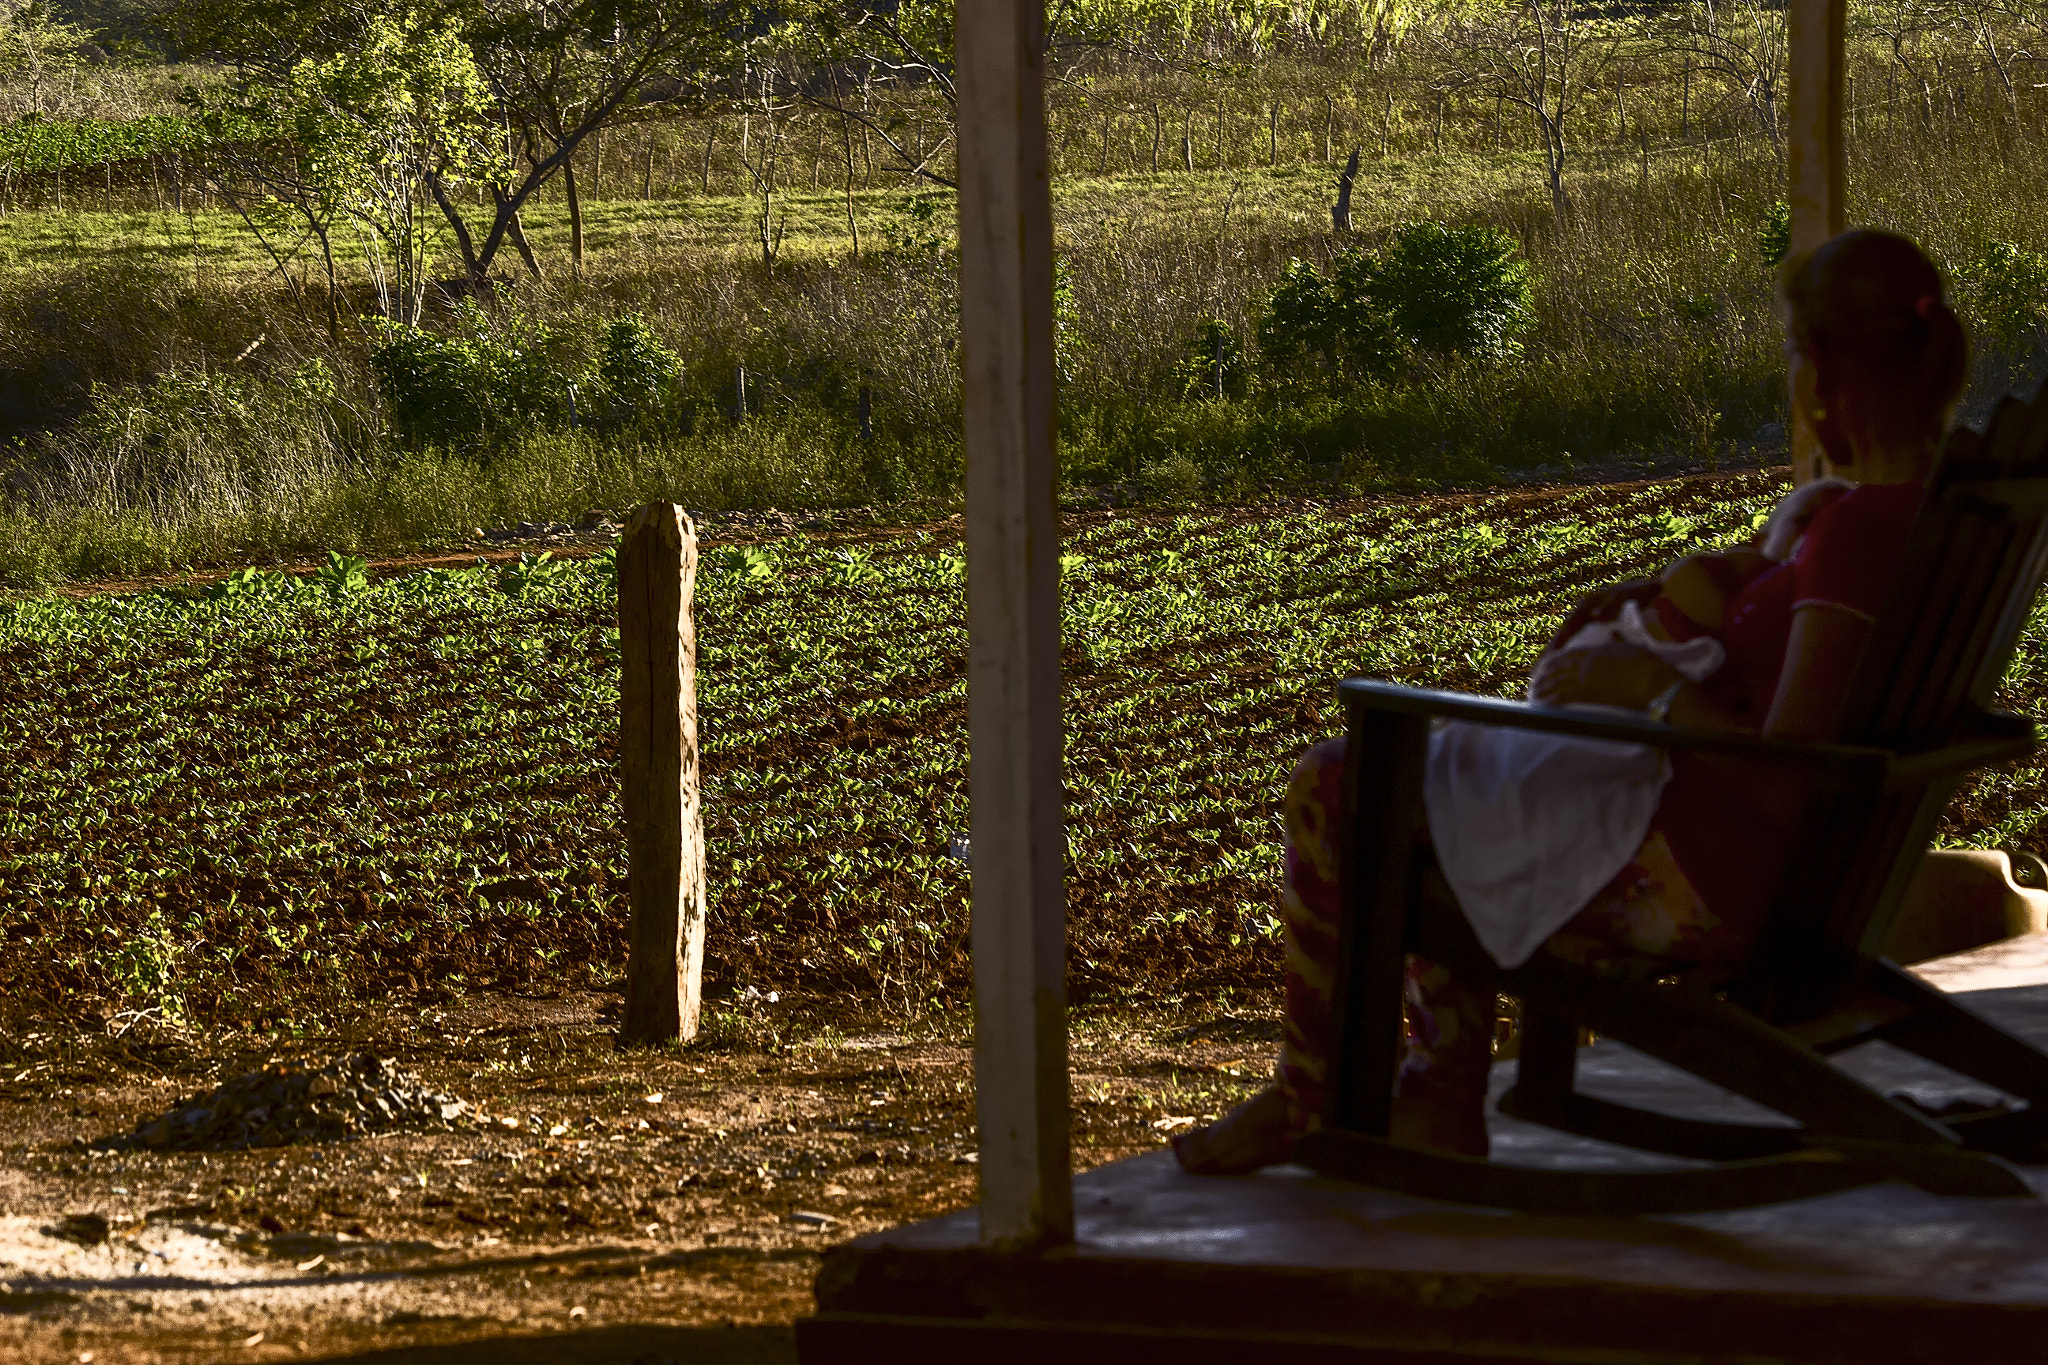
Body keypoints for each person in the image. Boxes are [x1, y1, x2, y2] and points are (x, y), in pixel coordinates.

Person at [1174, 228, 1971, 1172]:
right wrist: (1668, 608)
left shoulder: (1859, 536)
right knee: (1443, 793)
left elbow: (1789, 771)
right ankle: (1432, 1095)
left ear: (1825, 368)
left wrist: (1653, 691)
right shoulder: (1925, 515)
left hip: (1714, 876)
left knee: (1343, 783)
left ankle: (1321, 1097)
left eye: (1795, 352)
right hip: (1774, 863)